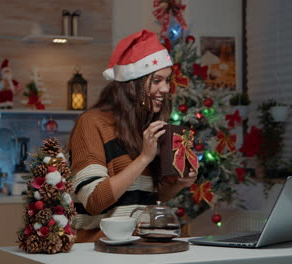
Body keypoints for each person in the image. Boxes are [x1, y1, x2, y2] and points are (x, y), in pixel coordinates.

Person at [68, 29, 197, 242]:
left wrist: (180, 184)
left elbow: (144, 200)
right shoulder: (92, 123)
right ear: (132, 85)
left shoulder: (145, 128)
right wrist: (144, 157)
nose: (165, 89)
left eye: (167, 80)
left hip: (137, 247)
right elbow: (94, 200)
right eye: (156, 80)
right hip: (97, 250)